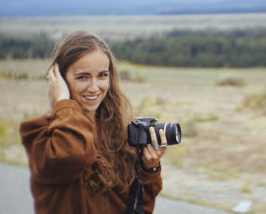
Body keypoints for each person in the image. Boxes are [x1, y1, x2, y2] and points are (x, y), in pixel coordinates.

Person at [20, 31, 166, 214]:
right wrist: (63, 103)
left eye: (102, 75)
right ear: (60, 81)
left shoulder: (119, 131)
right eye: (82, 77)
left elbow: (139, 205)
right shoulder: (39, 133)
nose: (94, 87)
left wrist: (149, 168)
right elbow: (73, 154)